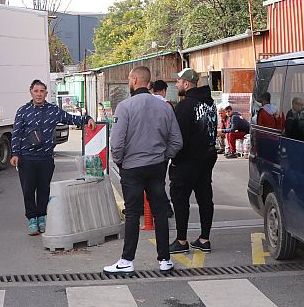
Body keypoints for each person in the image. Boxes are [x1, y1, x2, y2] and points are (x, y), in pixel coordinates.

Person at [104, 66, 182, 274]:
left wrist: (120, 162)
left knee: (132, 213)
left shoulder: (125, 107)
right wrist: (164, 157)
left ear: (136, 80)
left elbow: (117, 142)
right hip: (156, 166)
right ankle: (165, 259)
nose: (129, 81)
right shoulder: (165, 107)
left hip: (132, 167)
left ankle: (127, 260)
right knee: (160, 212)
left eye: (129, 78)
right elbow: (176, 140)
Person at [10, 79, 94, 236]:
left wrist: (87, 119)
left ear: (46, 93)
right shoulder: (23, 111)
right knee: (28, 189)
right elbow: (16, 133)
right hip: (27, 158)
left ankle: (42, 217)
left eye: (42, 91)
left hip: (46, 158)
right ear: (31, 92)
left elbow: (71, 119)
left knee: (43, 188)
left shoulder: (53, 110)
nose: (39, 94)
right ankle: (32, 219)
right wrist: (15, 154)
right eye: (36, 91)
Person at [168, 68, 217, 254]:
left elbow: (179, 138)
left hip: (186, 162)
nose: (176, 84)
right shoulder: (211, 104)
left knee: (180, 200)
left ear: (186, 84)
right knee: (205, 199)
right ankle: (204, 239)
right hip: (206, 161)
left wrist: (174, 159)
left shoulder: (185, 106)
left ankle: (181, 241)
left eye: (179, 82)